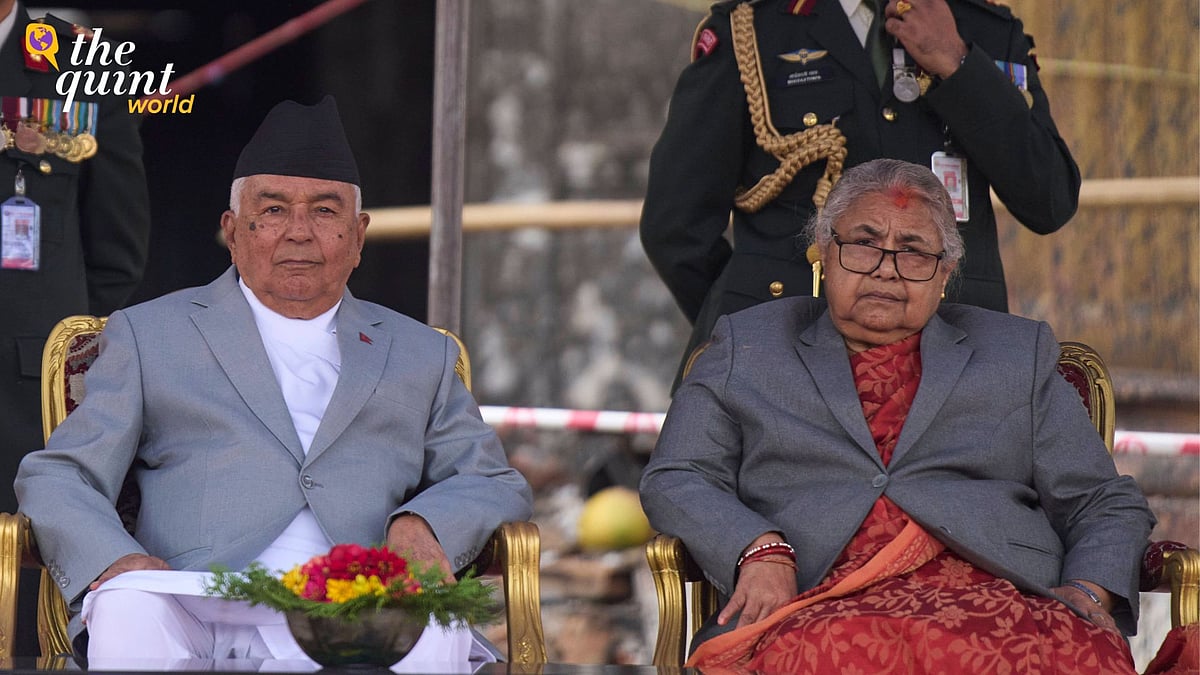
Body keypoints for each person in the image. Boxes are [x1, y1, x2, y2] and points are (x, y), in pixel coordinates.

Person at [15, 96, 532, 666]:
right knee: (129, 608)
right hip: (193, 602)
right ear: (233, 231)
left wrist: (422, 524)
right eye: (274, 210)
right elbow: (60, 476)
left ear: (358, 236)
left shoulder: (420, 353)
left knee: (436, 619)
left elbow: (491, 480)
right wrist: (116, 562)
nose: (299, 233)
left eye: (325, 211)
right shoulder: (149, 334)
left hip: (361, 609)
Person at [639, 158, 1153, 673]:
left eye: (913, 252)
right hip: (819, 598)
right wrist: (758, 549)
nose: (886, 268)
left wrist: (1089, 587)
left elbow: (1102, 500)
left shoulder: (1016, 354)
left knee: (1070, 656)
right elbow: (677, 475)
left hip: (1001, 599)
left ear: (946, 273)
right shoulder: (749, 345)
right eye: (864, 244)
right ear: (824, 249)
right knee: (836, 651)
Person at [639, 0, 1081, 387]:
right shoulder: (753, 29)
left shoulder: (984, 29)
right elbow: (675, 226)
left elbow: (1049, 199)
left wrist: (958, 64)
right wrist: (751, 317)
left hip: (954, 361)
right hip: (782, 365)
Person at [0, 1, 150, 656]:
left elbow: (115, 254)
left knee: (20, 635)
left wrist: (54, 354)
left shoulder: (78, 63)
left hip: (20, 402)